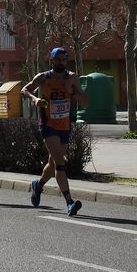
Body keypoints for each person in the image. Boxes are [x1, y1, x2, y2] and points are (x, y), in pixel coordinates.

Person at [22, 47, 89, 216]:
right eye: (57, 59)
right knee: (60, 162)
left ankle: (39, 185)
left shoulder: (72, 77)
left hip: (64, 125)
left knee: (52, 165)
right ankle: (69, 202)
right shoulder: (43, 78)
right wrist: (35, 99)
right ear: (51, 61)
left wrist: (72, 91)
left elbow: (85, 101)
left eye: (63, 60)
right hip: (48, 124)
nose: (60, 62)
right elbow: (25, 89)